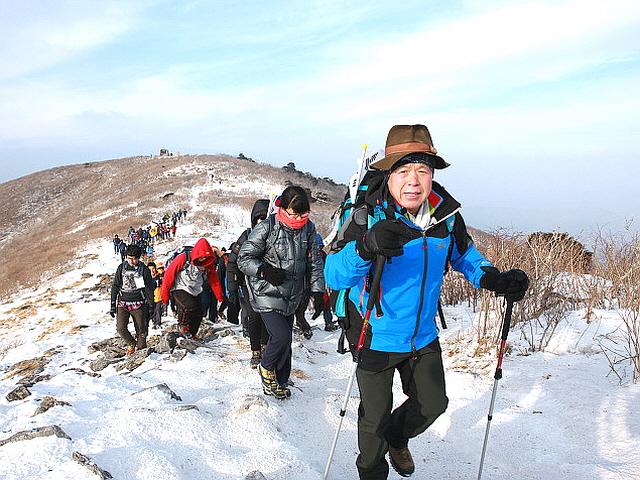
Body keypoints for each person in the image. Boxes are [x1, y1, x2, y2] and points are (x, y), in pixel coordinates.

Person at [324, 124, 529, 479]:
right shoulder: (368, 217)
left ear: (432, 174)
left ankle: (398, 437)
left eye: (422, 170)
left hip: (422, 334)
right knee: (372, 420)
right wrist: (365, 247)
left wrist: (494, 278)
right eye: (403, 170)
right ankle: (372, 472)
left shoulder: (446, 219)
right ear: (388, 174)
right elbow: (334, 275)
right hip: (376, 333)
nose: (413, 180)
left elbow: (466, 258)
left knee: (433, 404)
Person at [238, 187, 325, 399]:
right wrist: (264, 271)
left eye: (303, 214)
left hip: (292, 295)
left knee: (286, 343)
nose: (299, 218)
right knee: (281, 336)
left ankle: (281, 381)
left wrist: (317, 291)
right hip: (266, 292)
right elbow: (244, 258)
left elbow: (314, 262)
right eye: (294, 214)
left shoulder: (309, 229)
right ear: (283, 208)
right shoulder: (268, 228)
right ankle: (266, 368)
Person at [227, 199, 271, 366]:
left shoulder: (274, 236)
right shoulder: (246, 236)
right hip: (248, 282)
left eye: (265, 219)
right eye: (259, 219)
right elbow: (232, 262)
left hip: (268, 283)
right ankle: (255, 350)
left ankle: (266, 346)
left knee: (267, 315)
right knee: (253, 316)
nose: (261, 222)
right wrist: (232, 288)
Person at [160, 237, 224, 339]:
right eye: (201, 257)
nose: (202, 259)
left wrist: (219, 295)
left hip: (195, 289)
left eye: (205, 258)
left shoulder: (208, 263)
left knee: (199, 312)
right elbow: (169, 275)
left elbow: (214, 279)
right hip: (180, 287)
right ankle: (183, 325)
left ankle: (192, 334)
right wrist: (165, 295)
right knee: (190, 306)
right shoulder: (183, 258)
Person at [110, 244, 155, 355]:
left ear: (138, 258)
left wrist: (151, 305)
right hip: (123, 303)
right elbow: (115, 285)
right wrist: (112, 303)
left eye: (134, 258)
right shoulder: (121, 268)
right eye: (129, 258)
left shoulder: (144, 269)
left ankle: (142, 352)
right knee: (121, 328)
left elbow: (149, 288)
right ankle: (131, 343)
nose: (131, 261)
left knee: (141, 329)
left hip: (139, 303)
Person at [148, 261, 165, 329]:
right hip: (150, 298)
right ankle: (154, 321)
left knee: (158, 311)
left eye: (153, 269)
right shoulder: (146, 278)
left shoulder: (160, 276)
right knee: (152, 311)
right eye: (150, 270)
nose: (152, 271)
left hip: (159, 297)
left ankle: (158, 323)